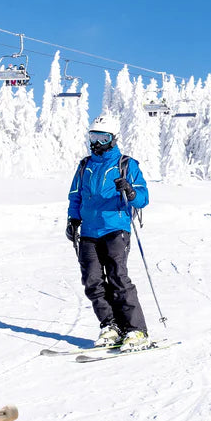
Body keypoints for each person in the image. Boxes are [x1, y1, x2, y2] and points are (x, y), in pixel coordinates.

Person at [65, 113, 150, 352]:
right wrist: (73, 220)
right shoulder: (85, 165)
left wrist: (130, 191)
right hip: (89, 231)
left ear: (112, 139)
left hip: (115, 228)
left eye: (102, 138)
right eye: (93, 136)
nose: (96, 143)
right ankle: (111, 326)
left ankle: (136, 330)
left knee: (117, 279)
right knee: (92, 281)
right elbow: (76, 196)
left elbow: (143, 198)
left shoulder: (126, 164)